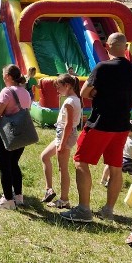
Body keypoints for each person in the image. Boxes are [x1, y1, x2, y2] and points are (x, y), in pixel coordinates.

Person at [61, 33, 132, 223]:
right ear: (125, 47)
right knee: (115, 167)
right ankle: (108, 210)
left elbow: (84, 92)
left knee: (80, 161)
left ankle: (84, 209)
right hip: (122, 125)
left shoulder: (102, 67)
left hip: (101, 123)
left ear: (108, 46)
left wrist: (98, 93)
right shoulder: (131, 69)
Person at [0, 64, 33, 209]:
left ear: (8, 76)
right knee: (14, 164)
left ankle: (7, 199)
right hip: (22, 133)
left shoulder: (6, 91)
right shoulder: (25, 92)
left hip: (6, 133)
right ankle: (18, 196)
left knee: (4, 166)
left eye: (3, 74)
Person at [40, 73, 82, 209]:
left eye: (59, 87)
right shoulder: (73, 99)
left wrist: (62, 144)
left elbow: (69, 125)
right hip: (62, 134)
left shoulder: (70, 101)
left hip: (65, 135)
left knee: (62, 168)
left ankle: (64, 200)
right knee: (45, 156)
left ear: (67, 86)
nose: (57, 91)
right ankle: (49, 189)